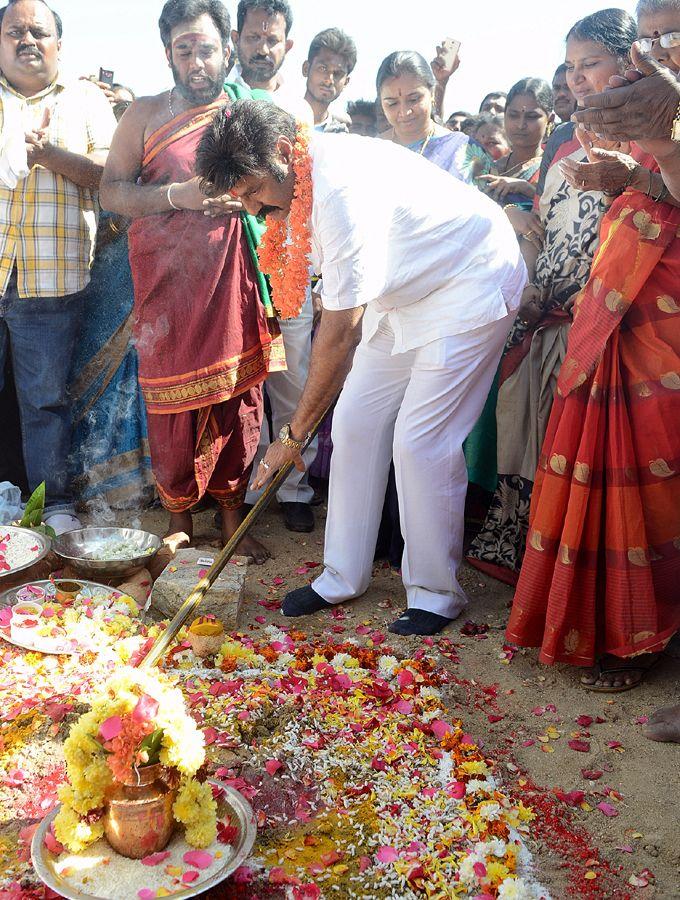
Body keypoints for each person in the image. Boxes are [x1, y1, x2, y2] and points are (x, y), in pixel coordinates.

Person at [196, 100, 526, 636]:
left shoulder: (339, 189)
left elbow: (341, 331)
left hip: (470, 281)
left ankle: (435, 592)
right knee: (353, 423)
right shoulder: (295, 183)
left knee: (420, 442)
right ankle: (341, 575)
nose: (255, 208)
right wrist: (301, 431)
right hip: (404, 291)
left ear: (284, 153)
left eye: (256, 191)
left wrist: (292, 436)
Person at [507, 0, 680, 696]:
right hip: (611, 306)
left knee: (655, 466)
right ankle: (610, 629)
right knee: (607, 459)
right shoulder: (610, 114)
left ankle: (644, 630)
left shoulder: (657, 104)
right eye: (650, 37)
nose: (579, 79)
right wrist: (632, 178)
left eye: (592, 63)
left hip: (659, 310)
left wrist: (648, 163)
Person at [99, 0, 285, 559]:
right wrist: (174, 197)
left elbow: (283, 192)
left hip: (234, 278)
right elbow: (111, 192)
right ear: (168, 55)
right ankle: (179, 519)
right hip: (167, 288)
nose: (198, 61)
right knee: (170, 406)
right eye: (186, 50)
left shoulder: (249, 113)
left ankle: (231, 519)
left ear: (228, 50)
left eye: (207, 48)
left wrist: (248, 202)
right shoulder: (145, 114)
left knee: (238, 398)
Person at [468, 8, 638, 584]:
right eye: (570, 67)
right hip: (547, 314)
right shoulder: (566, 137)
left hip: (611, 324)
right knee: (530, 437)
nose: (577, 79)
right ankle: (532, 570)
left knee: (592, 457)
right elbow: (549, 221)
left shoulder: (657, 132)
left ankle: (582, 588)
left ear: (629, 60)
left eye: (590, 64)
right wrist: (534, 282)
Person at [0, 0, 117, 534]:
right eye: (14, 31)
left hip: (52, 280)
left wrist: (49, 153)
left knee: (45, 401)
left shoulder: (87, 100)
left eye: (38, 32)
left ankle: (54, 508)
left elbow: (110, 178)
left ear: (59, 45)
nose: (27, 40)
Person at [231, 0, 318, 533]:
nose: (262, 48)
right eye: (253, 38)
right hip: (236, 262)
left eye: (272, 38)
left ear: (287, 44)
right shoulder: (222, 101)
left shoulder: (301, 109)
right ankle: (244, 488)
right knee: (244, 380)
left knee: (294, 376)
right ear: (237, 40)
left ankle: (294, 487)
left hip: (292, 260)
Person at [69, 98, 153, 513]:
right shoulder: (102, 178)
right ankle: (90, 485)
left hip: (132, 299)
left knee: (128, 383)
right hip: (94, 297)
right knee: (91, 386)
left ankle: (130, 485)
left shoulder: (144, 184)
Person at [377, 50, 493, 186]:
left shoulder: (466, 150)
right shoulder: (370, 151)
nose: (404, 112)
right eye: (392, 103)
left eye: (414, 99)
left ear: (432, 93)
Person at [478, 78, 553, 210]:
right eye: (513, 115)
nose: (520, 125)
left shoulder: (555, 170)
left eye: (531, 116)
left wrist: (526, 189)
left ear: (550, 120)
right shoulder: (490, 168)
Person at [303, 27, 356, 132]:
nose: (329, 80)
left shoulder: (340, 137)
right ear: (306, 69)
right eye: (322, 68)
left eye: (338, 74)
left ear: (346, 82)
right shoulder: (280, 119)